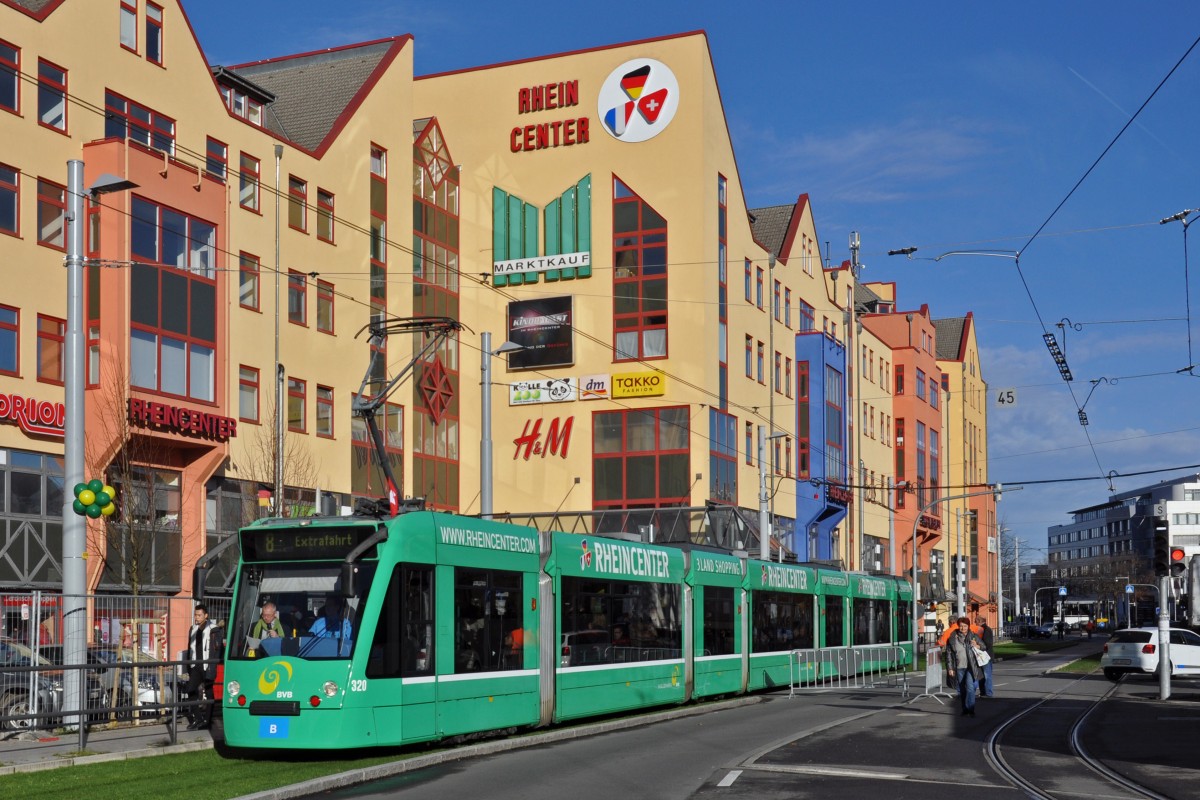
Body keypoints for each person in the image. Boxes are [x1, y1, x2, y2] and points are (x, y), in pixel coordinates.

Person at [184, 604, 223, 730]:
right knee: (190, 691)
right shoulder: (193, 629)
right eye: (195, 615)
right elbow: (190, 647)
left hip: (208, 666)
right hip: (196, 665)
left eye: (199, 615)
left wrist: (213, 665)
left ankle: (207, 720)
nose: (197, 617)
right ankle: (198, 719)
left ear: (206, 616)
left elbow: (217, 649)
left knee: (209, 692)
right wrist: (189, 664)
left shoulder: (213, 629)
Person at [944, 617, 985, 717]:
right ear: (958, 626)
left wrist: (977, 646)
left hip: (970, 666)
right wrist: (950, 668)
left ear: (968, 626)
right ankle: (965, 709)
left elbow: (984, 646)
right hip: (958, 667)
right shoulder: (953, 637)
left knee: (970, 688)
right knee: (962, 689)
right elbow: (948, 654)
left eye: (965, 626)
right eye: (961, 626)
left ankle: (971, 709)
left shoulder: (973, 636)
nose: (963, 628)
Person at [976, 617, 995, 698]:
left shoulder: (985, 630)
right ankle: (984, 692)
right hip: (982, 656)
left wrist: (979, 646)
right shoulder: (984, 629)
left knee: (987, 675)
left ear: (980, 621)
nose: (975, 623)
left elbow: (988, 644)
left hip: (985, 656)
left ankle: (988, 693)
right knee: (982, 675)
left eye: (976, 621)